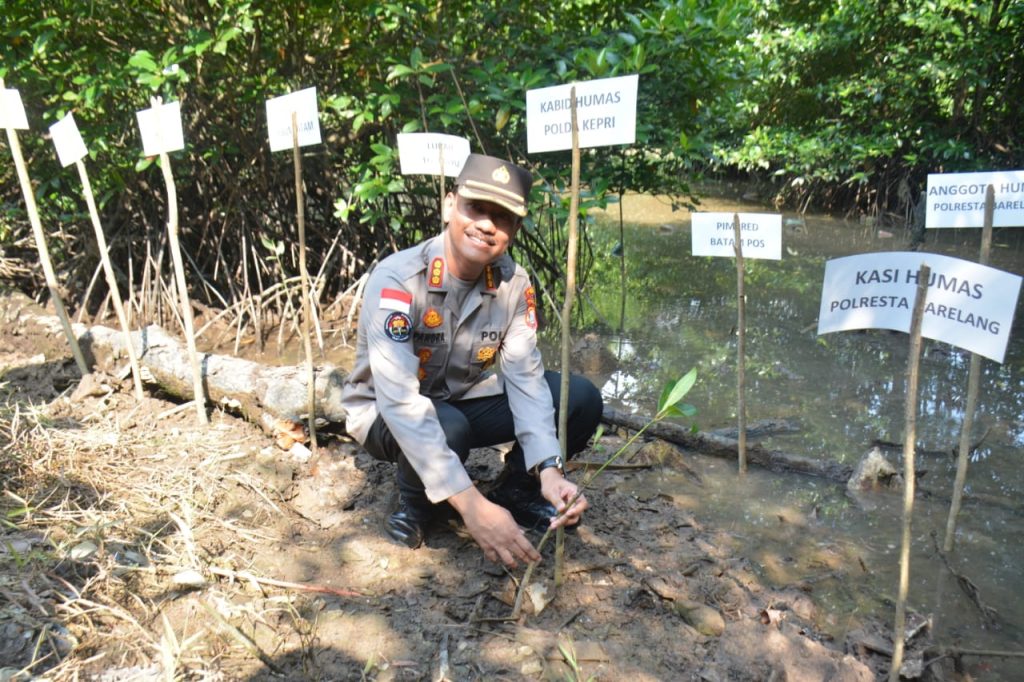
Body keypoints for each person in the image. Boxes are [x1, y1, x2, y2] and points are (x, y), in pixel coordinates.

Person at [340, 153, 604, 568]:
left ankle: (516, 489)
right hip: (384, 413)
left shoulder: (513, 285)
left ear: (515, 229)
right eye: (475, 208)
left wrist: (549, 470)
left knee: (579, 398)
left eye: (502, 217)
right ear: (449, 206)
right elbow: (399, 403)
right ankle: (415, 506)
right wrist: (473, 509)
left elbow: (525, 379)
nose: (486, 224)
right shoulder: (398, 279)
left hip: (457, 401)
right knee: (447, 425)